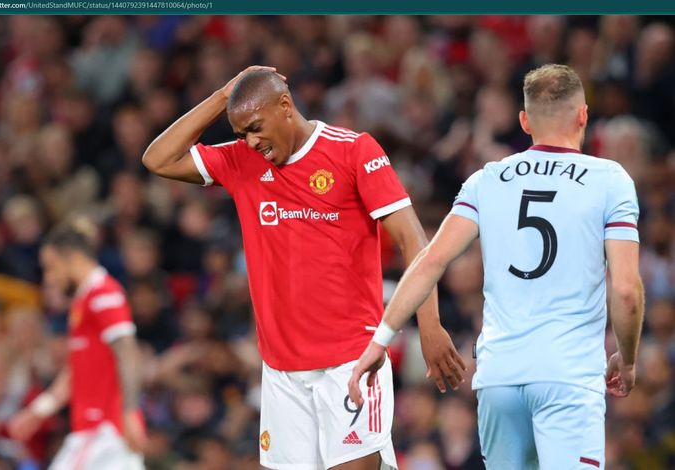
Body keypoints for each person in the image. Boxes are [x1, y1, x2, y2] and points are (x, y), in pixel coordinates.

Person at [142, 66, 466, 470]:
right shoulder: (242, 161)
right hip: (281, 372)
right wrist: (224, 96)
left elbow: (413, 238)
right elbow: (157, 158)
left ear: (285, 104)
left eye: (256, 127)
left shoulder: (353, 151)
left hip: (351, 361)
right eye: (242, 133)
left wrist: (430, 326)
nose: (251, 141)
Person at [349, 64, 644, 470]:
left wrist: (380, 340)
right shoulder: (610, 180)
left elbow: (430, 260)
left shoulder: (487, 180)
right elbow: (626, 290)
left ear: (524, 121)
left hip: (499, 375)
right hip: (568, 375)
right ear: (583, 115)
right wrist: (626, 360)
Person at [8, 218, 147, 469]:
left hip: (103, 434)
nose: (49, 277)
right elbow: (76, 369)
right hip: (98, 435)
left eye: (51, 267)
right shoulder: (82, 301)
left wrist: (131, 411)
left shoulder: (105, 293)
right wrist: (39, 410)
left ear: (72, 258)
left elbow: (127, 352)